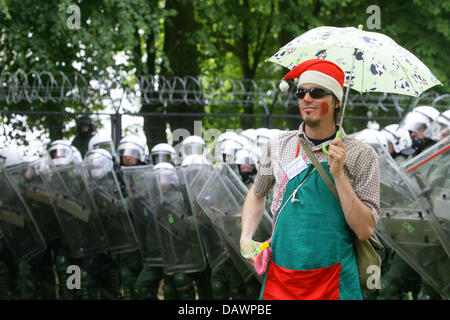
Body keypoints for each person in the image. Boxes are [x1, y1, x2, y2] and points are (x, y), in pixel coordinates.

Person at [240, 59, 380, 300]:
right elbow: (257, 192)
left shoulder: (361, 154)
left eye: (317, 92)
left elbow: (365, 229)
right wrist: (245, 236)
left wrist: (338, 175)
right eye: (301, 92)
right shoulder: (278, 145)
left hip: (335, 283)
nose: (306, 98)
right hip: (282, 279)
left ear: (336, 101)